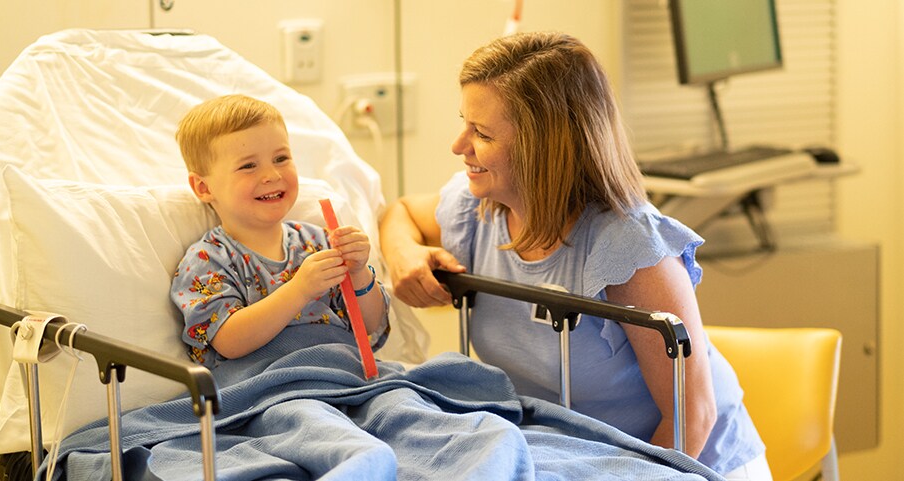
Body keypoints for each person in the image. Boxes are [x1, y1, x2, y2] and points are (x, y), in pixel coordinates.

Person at [379, 32, 770, 480]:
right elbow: (401, 211)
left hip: (681, 465)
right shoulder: (476, 210)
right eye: (464, 122)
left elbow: (692, 419)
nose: (458, 145)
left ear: (541, 149)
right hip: (566, 461)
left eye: (481, 133)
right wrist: (404, 253)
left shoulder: (628, 246)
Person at [170, 94, 390, 368]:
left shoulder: (320, 242)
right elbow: (228, 341)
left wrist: (359, 272)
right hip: (273, 388)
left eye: (281, 158)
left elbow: (369, 325)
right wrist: (299, 290)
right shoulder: (207, 261)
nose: (272, 175)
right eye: (248, 166)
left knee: (428, 389)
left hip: (346, 373)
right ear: (203, 187)